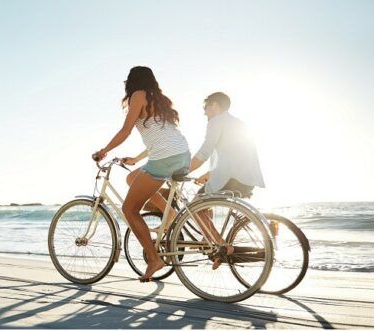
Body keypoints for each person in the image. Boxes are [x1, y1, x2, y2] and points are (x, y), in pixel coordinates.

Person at [92, 66, 190, 282]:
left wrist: (104, 151)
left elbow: (126, 130)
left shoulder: (138, 95)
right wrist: (136, 159)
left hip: (165, 159)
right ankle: (169, 213)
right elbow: (161, 139)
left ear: (132, 80)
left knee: (129, 208)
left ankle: (155, 259)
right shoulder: (160, 99)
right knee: (131, 177)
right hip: (182, 155)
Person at [189, 91, 266, 269]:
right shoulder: (237, 123)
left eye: (206, 107)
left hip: (233, 178)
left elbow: (204, 152)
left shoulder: (217, 121)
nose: (204, 112)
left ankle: (222, 246)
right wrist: (208, 175)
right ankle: (212, 242)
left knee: (194, 208)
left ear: (214, 105)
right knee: (204, 203)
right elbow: (232, 155)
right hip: (246, 178)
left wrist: (182, 170)